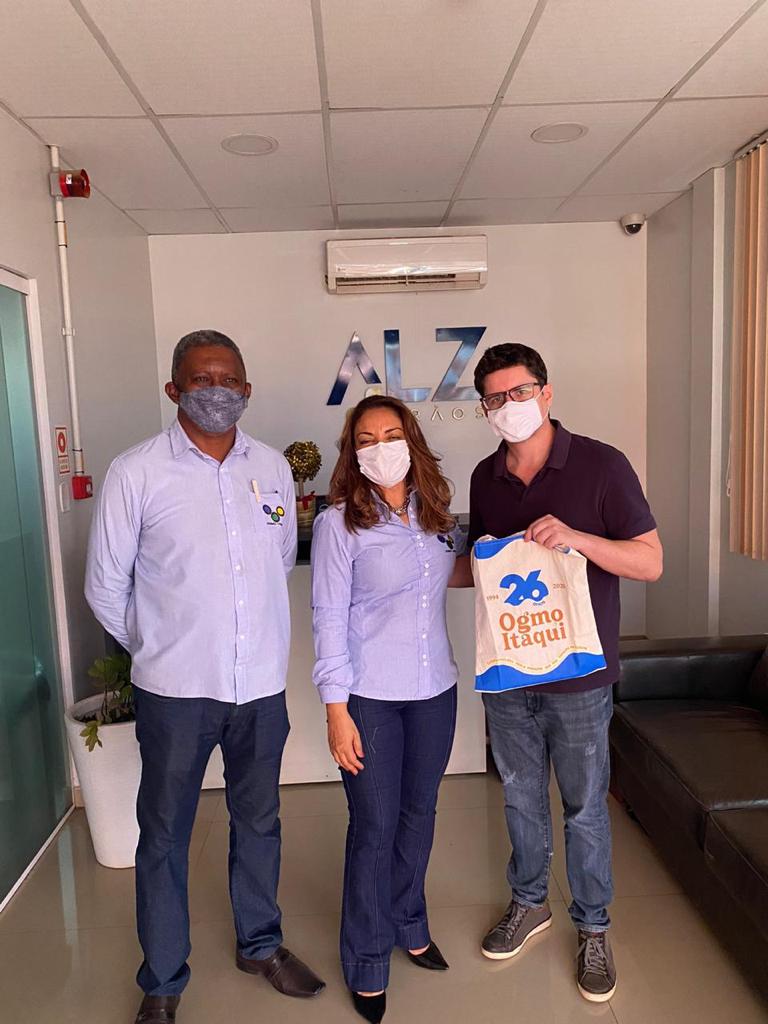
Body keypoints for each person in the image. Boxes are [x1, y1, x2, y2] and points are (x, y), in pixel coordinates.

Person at [85, 330, 325, 1024]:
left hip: (260, 689)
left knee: (260, 819)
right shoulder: (136, 472)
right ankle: (163, 979)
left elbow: (275, 562)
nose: (216, 390)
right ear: (174, 389)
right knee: (163, 834)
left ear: (247, 390)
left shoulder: (272, 468)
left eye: (228, 379)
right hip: (175, 693)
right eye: (201, 378)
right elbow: (105, 586)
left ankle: (260, 945)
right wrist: (161, 645)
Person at [455, 343, 662, 1003]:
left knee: (583, 807)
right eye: (494, 398)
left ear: (546, 393)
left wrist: (579, 538)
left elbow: (650, 561)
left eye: (520, 392)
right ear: (484, 409)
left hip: (578, 677)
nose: (508, 405)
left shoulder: (602, 465)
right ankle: (529, 902)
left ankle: (594, 926)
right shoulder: (485, 477)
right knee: (519, 797)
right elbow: (483, 568)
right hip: (511, 672)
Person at [311, 396, 464, 1023]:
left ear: (411, 439)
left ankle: (410, 923)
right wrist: (336, 710)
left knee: (419, 814)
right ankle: (368, 959)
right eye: (367, 438)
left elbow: (448, 577)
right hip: (369, 696)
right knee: (374, 828)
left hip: (435, 690)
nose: (381, 447)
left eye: (392, 434)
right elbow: (327, 616)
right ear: (353, 450)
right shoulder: (339, 523)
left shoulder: (437, 512)